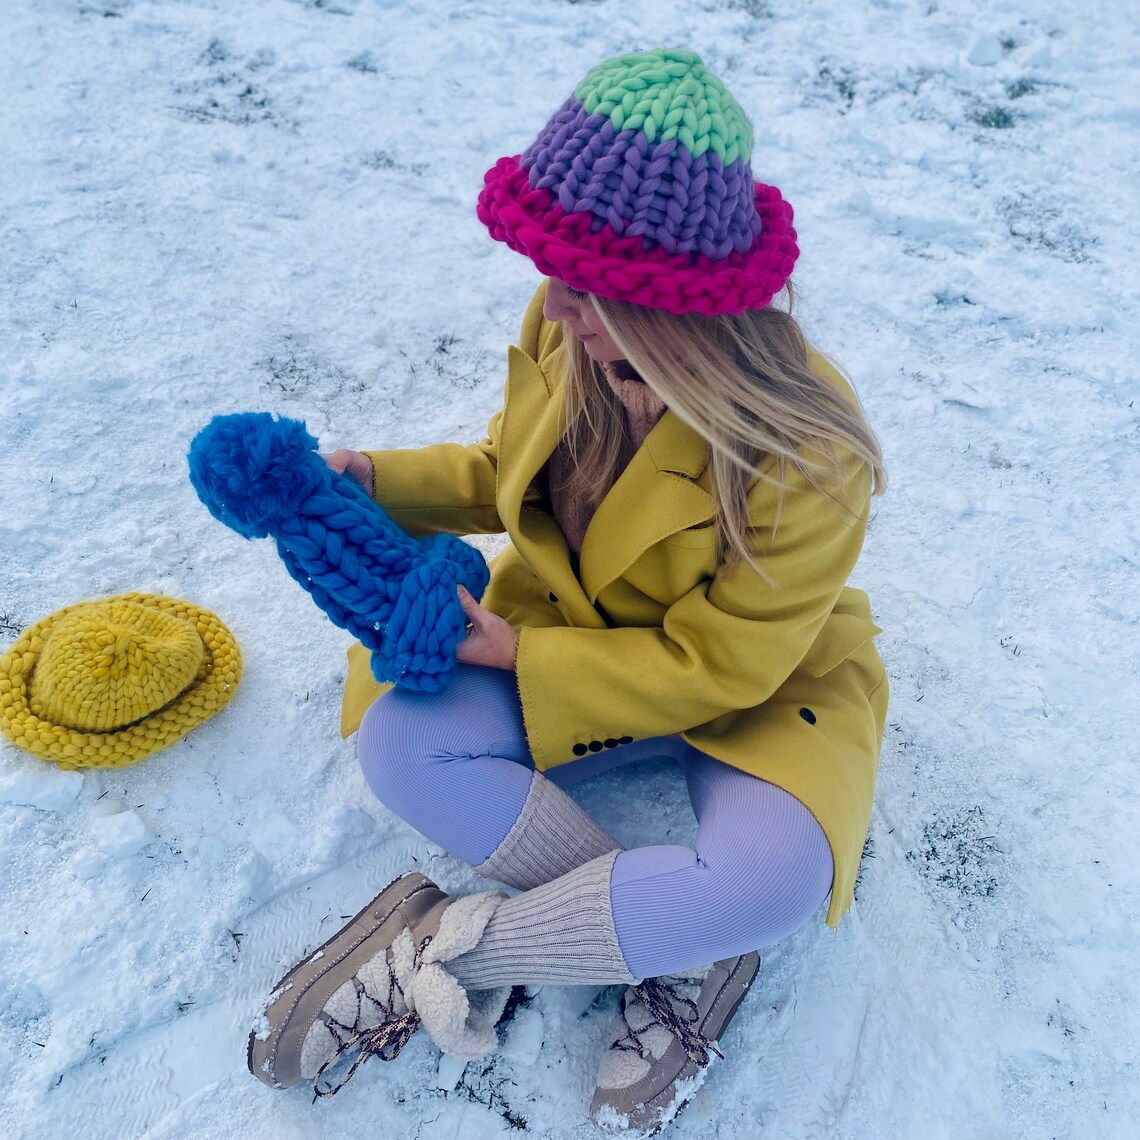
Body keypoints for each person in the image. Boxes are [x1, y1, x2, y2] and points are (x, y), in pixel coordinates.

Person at [247, 47, 888, 1133]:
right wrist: (377, 483)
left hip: (757, 688)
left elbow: (730, 661)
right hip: (566, 631)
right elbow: (507, 471)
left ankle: (447, 947)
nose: (555, 302)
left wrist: (520, 660)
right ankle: (675, 944)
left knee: (771, 882)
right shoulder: (571, 327)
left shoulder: (809, 446)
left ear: (674, 309)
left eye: (590, 289)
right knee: (400, 745)